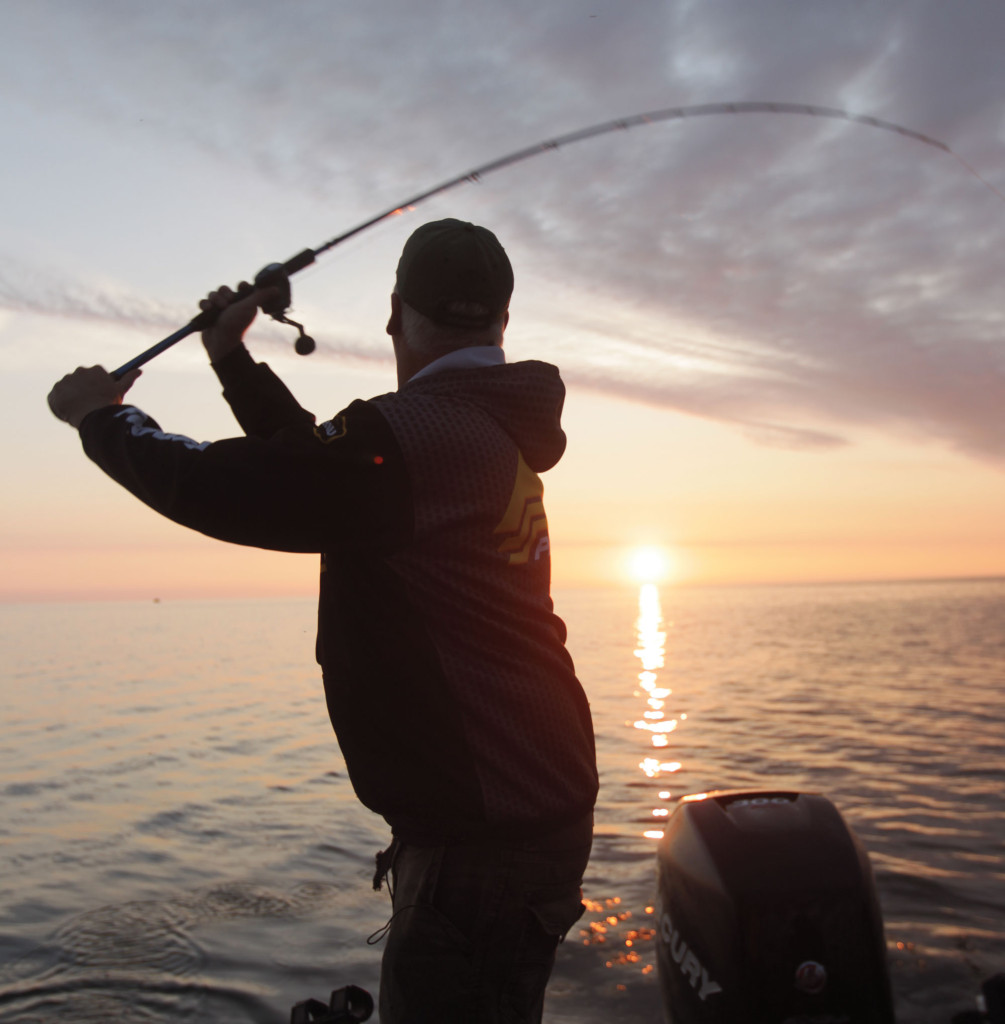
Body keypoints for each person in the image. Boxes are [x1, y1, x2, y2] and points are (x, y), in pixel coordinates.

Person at [47, 218, 599, 1023]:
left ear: (391, 313)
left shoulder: (414, 437)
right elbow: (316, 466)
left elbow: (234, 487)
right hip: (524, 806)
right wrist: (230, 357)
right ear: (502, 321)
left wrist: (102, 418)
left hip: (485, 838)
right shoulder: (481, 427)